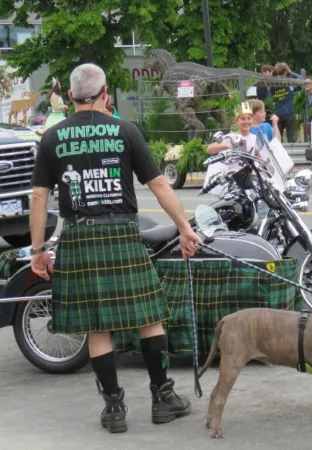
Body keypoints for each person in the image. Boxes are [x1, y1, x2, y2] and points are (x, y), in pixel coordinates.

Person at [29, 63, 200, 434]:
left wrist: (37, 248)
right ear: (106, 93)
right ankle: (162, 398)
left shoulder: (52, 137)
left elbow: (39, 196)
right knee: (149, 319)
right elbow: (158, 184)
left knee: (96, 327)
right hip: (122, 235)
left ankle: (115, 409)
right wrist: (185, 228)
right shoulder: (125, 130)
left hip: (78, 238)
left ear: (71, 97)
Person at [272, 63, 302, 143]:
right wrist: (291, 72)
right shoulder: (290, 82)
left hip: (278, 112)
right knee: (290, 136)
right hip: (289, 112)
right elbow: (301, 80)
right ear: (286, 71)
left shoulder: (272, 83)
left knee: (278, 137)